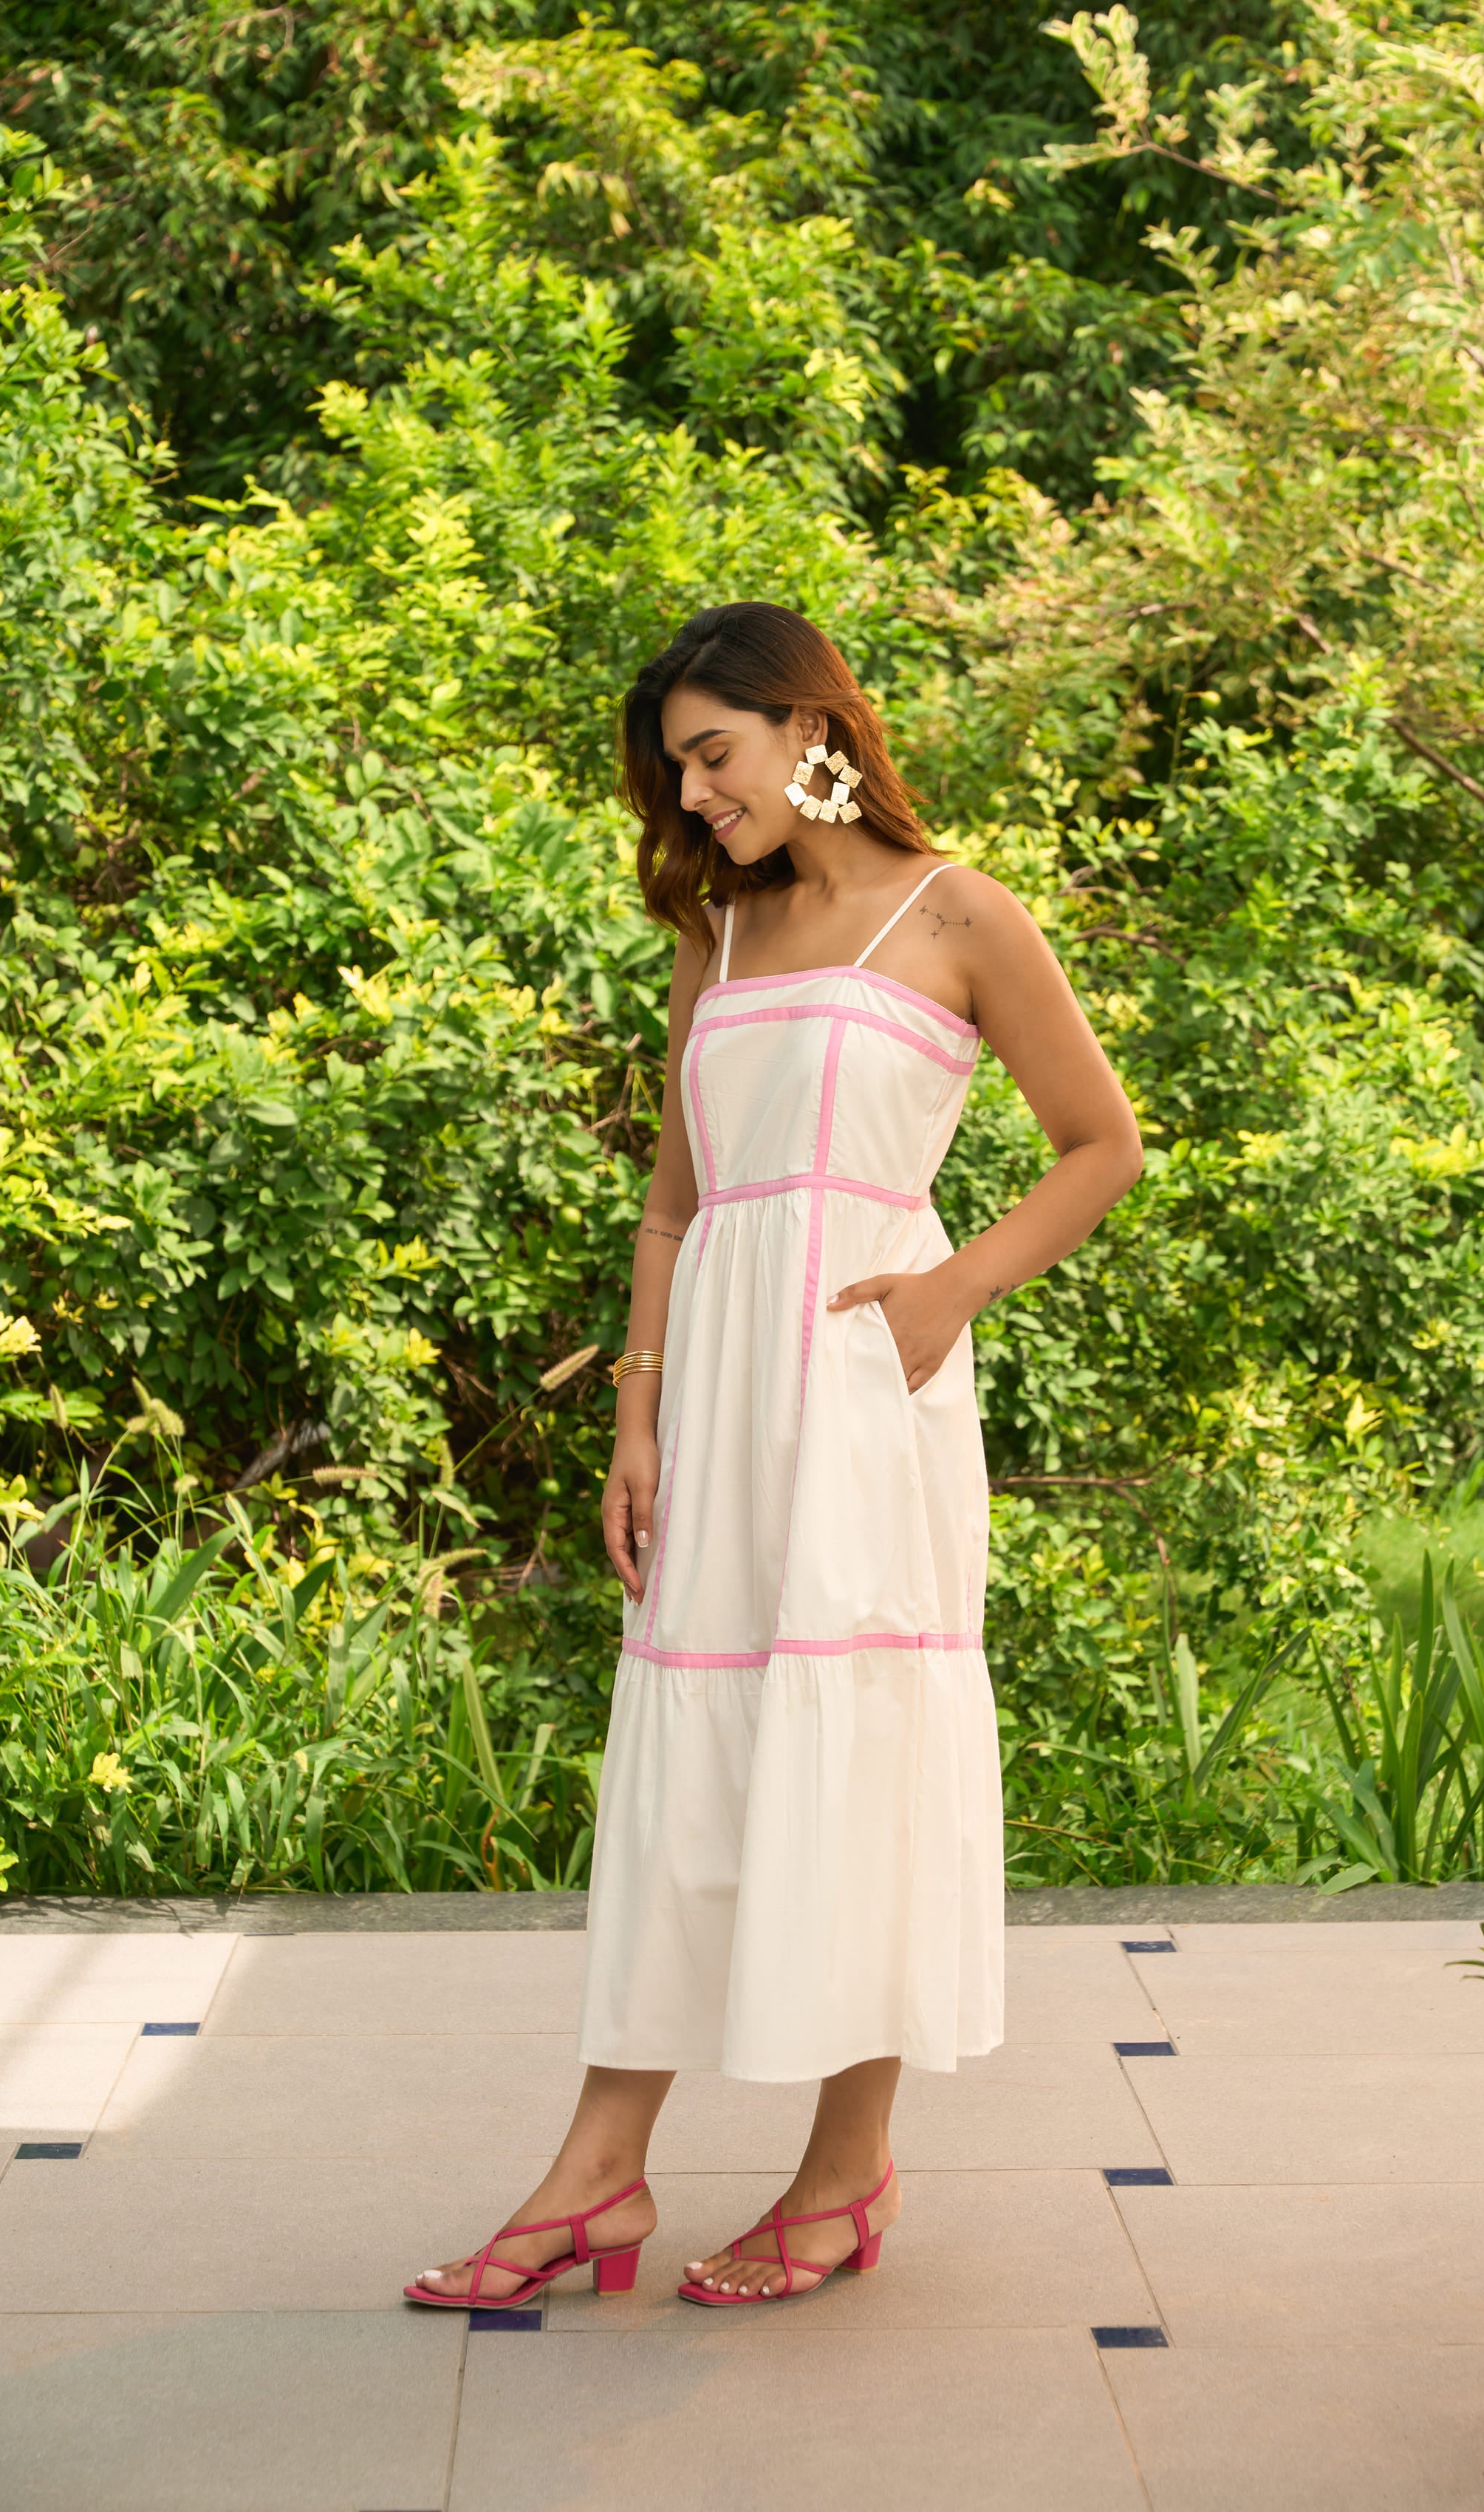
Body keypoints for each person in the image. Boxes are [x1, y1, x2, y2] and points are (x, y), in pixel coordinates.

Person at [406, 602, 1143, 2312]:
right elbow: (675, 1199)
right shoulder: (718, 940)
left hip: (868, 1389)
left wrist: (949, 1292)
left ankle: (836, 2176)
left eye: (710, 753)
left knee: (856, 1748)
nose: (688, 793)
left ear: (807, 728)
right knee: (691, 1760)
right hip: (723, 1389)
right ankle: (603, 2168)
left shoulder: (959, 912)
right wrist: (636, 1411)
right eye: (672, 766)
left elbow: (1099, 1142)